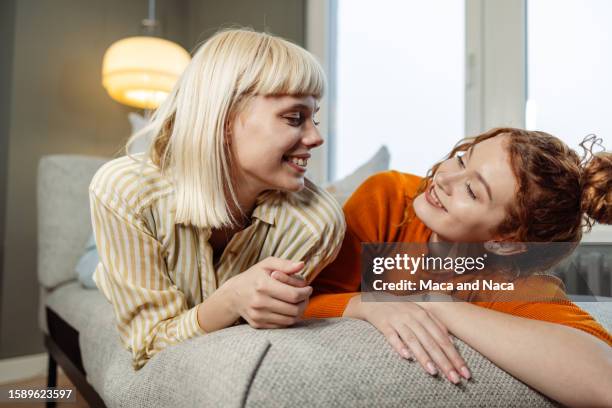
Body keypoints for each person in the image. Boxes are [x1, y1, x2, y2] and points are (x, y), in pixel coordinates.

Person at [279, 128, 612, 406]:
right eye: (463, 158)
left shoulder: (513, 283)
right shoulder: (388, 197)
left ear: (505, 242)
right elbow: (300, 299)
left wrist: (437, 303)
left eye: (471, 189)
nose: (444, 177)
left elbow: (604, 380)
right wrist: (371, 304)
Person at [89, 29, 345, 370]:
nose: (316, 137)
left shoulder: (316, 224)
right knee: (92, 266)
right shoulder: (124, 191)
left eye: (313, 118)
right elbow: (147, 345)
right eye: (294, 118)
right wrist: (230, 300)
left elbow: (247, 337)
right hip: (130, 237)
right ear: (224, 119)